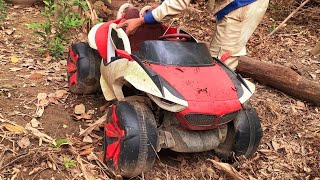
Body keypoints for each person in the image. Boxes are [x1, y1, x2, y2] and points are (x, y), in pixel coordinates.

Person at [117, 0, 269, 70]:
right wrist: (163, 5)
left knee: (222, 60)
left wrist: (142, 20)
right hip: (239, 5)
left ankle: (219, 116)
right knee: (218, 54)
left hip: (244, 5)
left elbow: (179, 3)